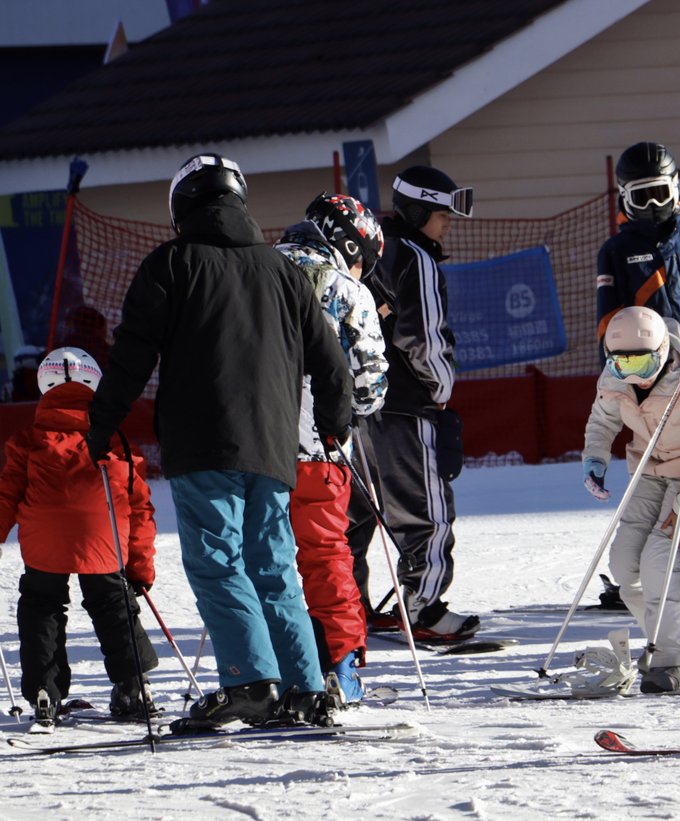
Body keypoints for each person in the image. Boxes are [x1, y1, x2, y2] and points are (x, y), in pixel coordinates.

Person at [85, 153, 353, 729]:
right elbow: (331, 361)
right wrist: (335, 422)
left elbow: (132, 355)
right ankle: (305, 687)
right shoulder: (284, 272)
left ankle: (250, 681)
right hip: (275, 444)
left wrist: (101, 422)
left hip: (203, 441)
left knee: (218, 561)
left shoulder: (171, 264)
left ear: (183, 206)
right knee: (274, 564)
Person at [0, 348, 159, 727]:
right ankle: (134, 686)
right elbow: (140, 509)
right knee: (113, 603)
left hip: (45, 540)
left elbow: (6, 496)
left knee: (42, 604)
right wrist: (140, 569)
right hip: (102, 536)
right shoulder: (116, 439)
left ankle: (44, 692)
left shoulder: (28, 439)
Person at [274, 193, 388, 706]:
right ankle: (339, 669)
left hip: (245, 445)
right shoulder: (345, 288)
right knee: (325, 554)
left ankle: (265, 665)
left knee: (260, 557)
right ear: (347, 243)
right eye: (364, 258)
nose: (363, 269)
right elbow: (370, 383)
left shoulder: (252, 270)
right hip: (316, 447)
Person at [582, 307, 680, 693]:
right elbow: (603, 420)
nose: (632, 372)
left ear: (663, 350)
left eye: (642, 361)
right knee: (623, 564)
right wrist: (595, 457)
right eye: (622, 361)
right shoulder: (617, 372)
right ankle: (666, 640)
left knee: (657, 561)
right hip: (648, 471)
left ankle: (671, 660)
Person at [360, 165, 477, 642]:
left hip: (357, 409)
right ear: (419, 212)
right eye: (441, 213)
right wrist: (440, 390)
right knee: (425, 510)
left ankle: (349, 606)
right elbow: (423, 338)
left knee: (357, 511)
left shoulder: (372, 249)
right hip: (407, 406)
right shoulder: (417, 258)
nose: (448, 222)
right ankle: (424, 607)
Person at [596, 142, 680, 358]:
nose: (652, 204)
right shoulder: (616, 251)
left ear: (674, 187)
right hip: (650, 368)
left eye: (660, 192)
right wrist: (615, 379)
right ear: (625, 197)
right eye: (642, 197)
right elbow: (608, 322)